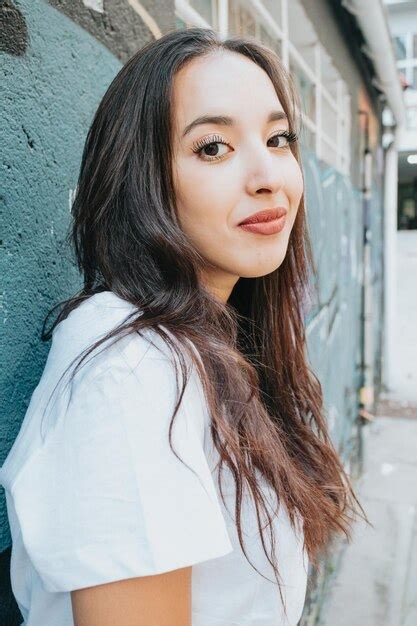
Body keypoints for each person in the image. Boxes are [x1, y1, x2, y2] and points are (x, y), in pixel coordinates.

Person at [0, 27, 364, 626]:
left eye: (278, 139)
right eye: (213, 148)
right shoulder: (135, 367)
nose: (268, 174)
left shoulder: (214, 342)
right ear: (143, 180)